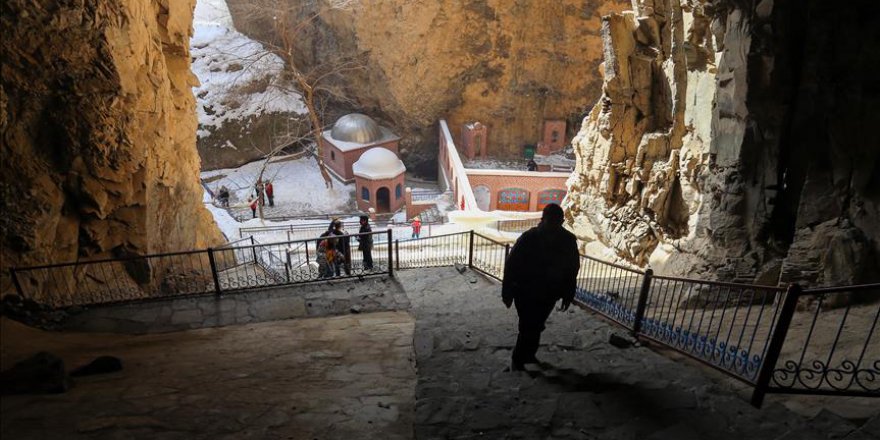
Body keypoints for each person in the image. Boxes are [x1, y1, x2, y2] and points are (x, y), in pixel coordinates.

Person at [502, 204, 580, 371]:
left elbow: (572, 269)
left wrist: (568, 293)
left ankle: (528, 355)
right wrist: (507, 291)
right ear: (542, 220)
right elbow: (512, 265)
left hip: (549, 292)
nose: (552, 225)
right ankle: (519, 358)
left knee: (536, 324)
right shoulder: (528, 238)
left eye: (556, 222)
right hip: (525, 291)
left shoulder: (567, 240)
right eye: (550, 221)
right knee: (527, 325)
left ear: (561, 221)